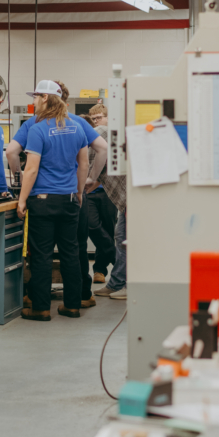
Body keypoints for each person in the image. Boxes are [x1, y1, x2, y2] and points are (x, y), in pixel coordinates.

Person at [18, 80, 90, 321]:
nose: (34, 101)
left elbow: (31, 170)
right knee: (71, 253)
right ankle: (72, 306)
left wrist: (22, 200)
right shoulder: (77, 128)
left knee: (42, 255)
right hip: (69, 200)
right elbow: (83, 164)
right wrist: (78, 192)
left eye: (36, 97)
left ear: (45, 98)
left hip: (43, 201)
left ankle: (40, 308)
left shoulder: (37, 129)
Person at [6, 79, 106, 191]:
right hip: (71, 188)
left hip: (41, 190)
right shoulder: (78, 123)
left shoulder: (33, 123)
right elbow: (103, 148)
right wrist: (91, 178)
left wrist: (21, 182)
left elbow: (11, 151)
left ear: (46, 98)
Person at [93, 108, 127, 300]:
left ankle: (128, 285)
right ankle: (117, 283)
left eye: (99, 117)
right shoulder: (100, 138)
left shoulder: (102, 135)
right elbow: (97, 174)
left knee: (128, 239)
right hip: (125, 199)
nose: (96, 121)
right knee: (121, 236)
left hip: (132, 197)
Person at [82, 103, 117, 283]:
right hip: (89, 190)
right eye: (93, 119)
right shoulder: (91, 138)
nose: (96, 122)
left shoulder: (113, 138)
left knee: (108, 230)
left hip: (108, 192)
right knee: (93, 226)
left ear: (109, 118)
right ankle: (117, 259)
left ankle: (100, 270)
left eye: (99, 118)